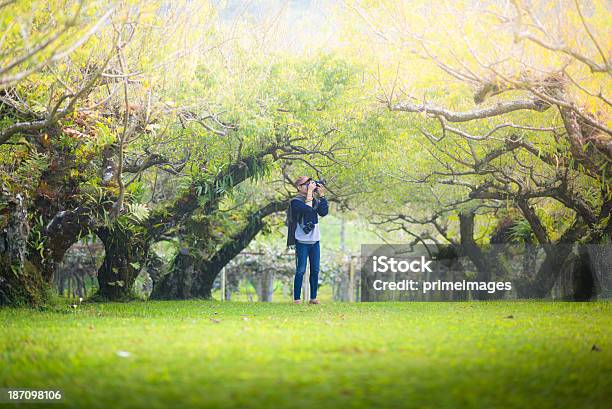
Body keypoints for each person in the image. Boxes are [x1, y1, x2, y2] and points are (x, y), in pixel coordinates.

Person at [286, 176, 329, 304]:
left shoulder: (314, 200)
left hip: (315, 240)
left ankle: (313, 298)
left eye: (309, 184)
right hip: (301, 241)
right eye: (306, 184)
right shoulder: (295, 202)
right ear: (299, 187)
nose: (309, 186)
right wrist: (310, 193)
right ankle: (297, 299)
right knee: (301, 270)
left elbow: (323, 212)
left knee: (315, 270)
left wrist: (321, 197)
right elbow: (308, 211)